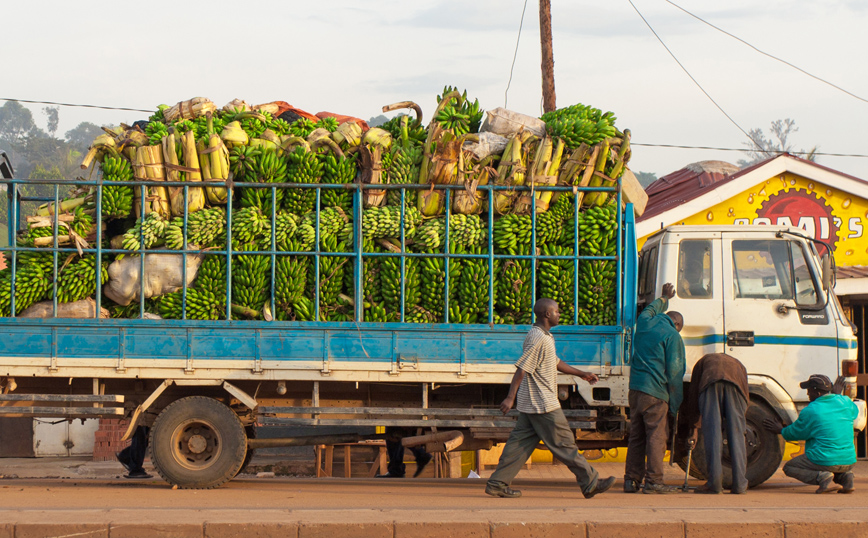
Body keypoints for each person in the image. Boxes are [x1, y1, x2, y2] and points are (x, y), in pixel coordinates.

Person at [484, 298, 616, 499]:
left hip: (532, 404)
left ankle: (497, 484)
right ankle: (590, 483)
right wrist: (510, 397)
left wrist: (582, 374)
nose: (559, 314)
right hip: (543, 403)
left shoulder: (542, 336)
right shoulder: (540, 338)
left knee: (519, 445)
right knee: (565, 444)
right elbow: (522, 368)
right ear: (547, 314)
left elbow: (555, 362)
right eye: (556, 311)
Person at [624, 283, 685, 494]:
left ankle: (631, 480)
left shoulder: (645, 322)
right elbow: (675, 374)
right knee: (657, 436)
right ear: (676, 324)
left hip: (635, 391)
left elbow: (650, 309)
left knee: (637, 436)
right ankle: (654, 482)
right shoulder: (673, 336)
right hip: (656, 394)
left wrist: (664, 298)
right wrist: (675, 406)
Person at [763, 374, 858, 494]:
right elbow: (854, 412)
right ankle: (846, 477)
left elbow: (796, 433)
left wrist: (780, 430)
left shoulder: (811, 410)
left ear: (817, 393)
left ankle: (822, 477)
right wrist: (838, 396)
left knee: (789, 467)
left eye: (809, 391)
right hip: (849, 460)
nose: (807, 394)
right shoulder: (845, 402)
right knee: (832, 461)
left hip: (825, 459)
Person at [685, 353, 749, 494]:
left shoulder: (702, 362)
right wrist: (739, 422)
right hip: (736, 387)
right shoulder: (738, 363)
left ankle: (714, 484)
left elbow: (693, 395)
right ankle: (740, 485)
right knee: (737, 437)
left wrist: (694, 426)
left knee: (713, 434)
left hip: (710, 383)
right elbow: (745, 393)